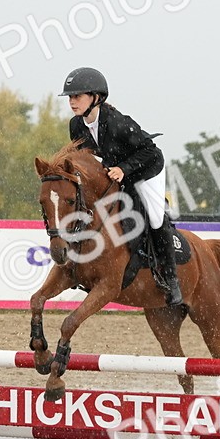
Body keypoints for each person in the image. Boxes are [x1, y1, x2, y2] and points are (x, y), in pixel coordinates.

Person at [59, 66, 183, 307]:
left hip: (147, 168)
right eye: (70, 97)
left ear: (95, 97)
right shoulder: (76, 125)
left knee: (155, 217)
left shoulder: (118, 123)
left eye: (77, 96)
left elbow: (149, 151)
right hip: (116, 171)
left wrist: (124, 169)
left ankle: (172, 279)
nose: (72, 102)